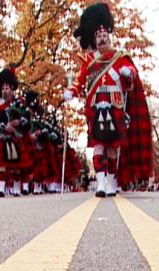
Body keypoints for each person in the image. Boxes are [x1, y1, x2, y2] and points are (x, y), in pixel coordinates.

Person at [64, 2, 152, 197]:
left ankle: (112, 181)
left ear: (109, 36)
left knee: (113, 148)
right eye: (98, 36)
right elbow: (79, 82)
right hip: (96, 106)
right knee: (98, 146)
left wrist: (129, 73)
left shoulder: (120, 57)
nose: (102, 38)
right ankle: (101, 182)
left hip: (116, 105)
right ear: (94, 39)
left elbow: (132, 79)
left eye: (105, 35)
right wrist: (71, 91)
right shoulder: (89, 61)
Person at [0, 68, 32, 197]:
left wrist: (18, 123)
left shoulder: (20, 103)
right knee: (1, 163)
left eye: (7, 88)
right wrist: (4, 126)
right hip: (2, 136)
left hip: (16, 136)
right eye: (3, 88)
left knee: (17, 164)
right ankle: (1, 187)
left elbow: (26, 119)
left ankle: (17, 187)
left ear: (12, 89)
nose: (5, 91)